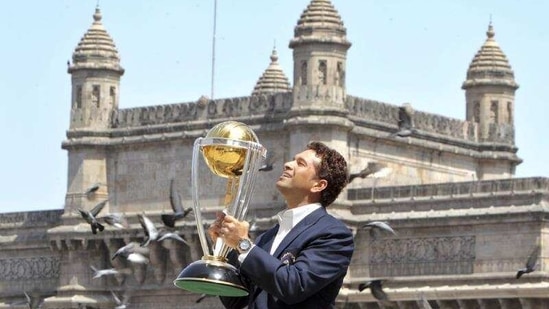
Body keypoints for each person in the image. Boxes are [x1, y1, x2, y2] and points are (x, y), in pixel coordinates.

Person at [209, 141, 354, 309]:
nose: (287, 164)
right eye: (293, 159)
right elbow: (236, 300)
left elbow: (294, 285)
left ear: (318, 185)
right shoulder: (268, 237)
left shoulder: (333, 234)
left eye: (300, 163)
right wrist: (227, 246)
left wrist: (243, 244)